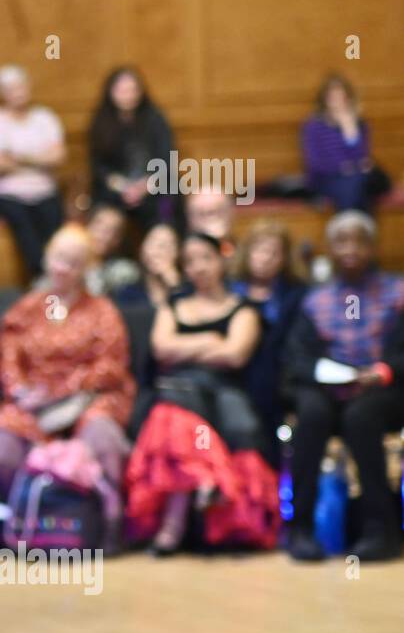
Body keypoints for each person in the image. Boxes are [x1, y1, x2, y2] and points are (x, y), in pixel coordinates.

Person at [124, 232, 279, 555]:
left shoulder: (244, 308)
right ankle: (203, 486)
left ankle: (187, 518)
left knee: (219, 422)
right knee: (173, 412)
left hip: (224, 392)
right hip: (179, 389)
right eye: (189, 261)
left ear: (222, 260)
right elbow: (161, 349)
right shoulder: (175, 304)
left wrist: (187, 347)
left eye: (204, 258)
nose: (197, 267)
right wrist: (210, 342)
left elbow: (235, 355)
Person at [0, 225, 134, 527]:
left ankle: (103, 521)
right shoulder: (24, 310)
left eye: (74, 263)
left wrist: (63, 389)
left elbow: (111, 366)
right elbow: (9, 359)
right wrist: (22, 391)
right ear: (47, 258)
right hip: (33, 401)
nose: (63, 269)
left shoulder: (102, 312)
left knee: (103, 441)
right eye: (59, 259)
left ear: (86, 268)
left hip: (88, 398)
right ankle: (33, 517)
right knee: (1, 448)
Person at [284, 211, 404, 562]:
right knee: (311, 414)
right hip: (327, 387)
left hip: (384, 387)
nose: (350, 249)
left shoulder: (397, 292)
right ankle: (300, 529)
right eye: (342, 241)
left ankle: (380, 530)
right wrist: (327, 375)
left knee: (361, 417)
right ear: (331, 249)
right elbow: (297, 359)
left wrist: (382, 371)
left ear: (372, 247)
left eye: (358, 241)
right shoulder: (314, 300)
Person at [0, 65, 66, 276]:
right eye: (11, 88)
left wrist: (19, 156)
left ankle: (60, 271)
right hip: (6, 193)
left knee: (53, 216)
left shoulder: (45, 117)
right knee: (22, 221)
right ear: (1, 93)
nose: (18, 92)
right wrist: (39, 159)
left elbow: (58, 157)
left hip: (45, 190)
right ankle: (39, 274)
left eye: (21, 86)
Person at [230, 222, 307, 462]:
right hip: (234, 372)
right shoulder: (230, 290)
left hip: (279, 376)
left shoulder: (295, 295)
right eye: (260, 250)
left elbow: (295, 345)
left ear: (284, 259)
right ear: (247, 252)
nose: (265, 258)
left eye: (274, 253)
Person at [88, 66, 178, 233]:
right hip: (115, 191)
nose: (127, 95)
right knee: (103, 216)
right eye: (122, 90)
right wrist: (124, 187)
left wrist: (144, 187)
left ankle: (165, 241)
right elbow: (99, 168)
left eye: (132, 90)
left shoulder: (155, 119)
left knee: (168, 208)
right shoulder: (101, 122)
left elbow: (167, 160)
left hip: (154, 187)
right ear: (111, 92)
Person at [301, 73, 383, 213]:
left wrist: (349, 129)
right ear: (324, 100)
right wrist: (343, 168)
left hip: (355, 177)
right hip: (325, 178)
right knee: (355, 186)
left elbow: (362, 159)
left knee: (360, 183)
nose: (337, 101)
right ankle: (357, 229)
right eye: (332, 97)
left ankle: (356, 229)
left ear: (348, 99)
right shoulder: (313, 126)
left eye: (341, 97)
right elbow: (314, 163)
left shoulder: (359, 124)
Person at [114, 223, 184, 309]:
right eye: (153, 243)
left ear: (178, 253)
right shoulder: (128, 293)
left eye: (165, 246)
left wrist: (175, 285)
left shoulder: (192, 290)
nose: (157, 252)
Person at [85, 202, 140, 296]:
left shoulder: (123, 272)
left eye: (111, 230)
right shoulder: (68, 264)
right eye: (99, 226)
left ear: (118, 240)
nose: (103, 235)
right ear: (87, 226)